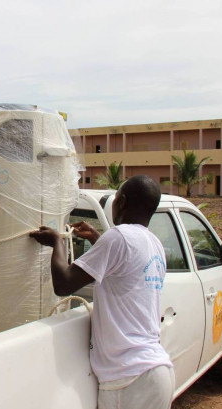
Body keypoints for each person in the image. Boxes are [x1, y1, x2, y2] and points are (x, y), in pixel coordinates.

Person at [30, 175, 175, 409]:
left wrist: (56, 242)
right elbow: (124, 269)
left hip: (129, 380)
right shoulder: (154, 243)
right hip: (157, 372)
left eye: (116, 197)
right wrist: (97, 239)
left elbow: (63, 284)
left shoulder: (118, 237)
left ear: (123, 202)